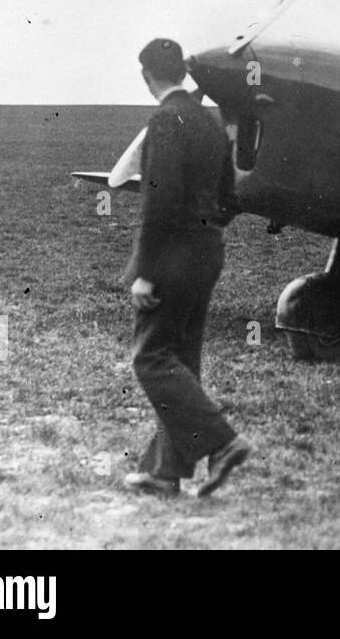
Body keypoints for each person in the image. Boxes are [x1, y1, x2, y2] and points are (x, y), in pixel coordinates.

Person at [122, 37, 251, 498]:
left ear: (147, 76)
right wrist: (206, 227)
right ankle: (163, 472)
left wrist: (146, 270)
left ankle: (222, 443)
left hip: (173, 255)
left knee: (152, 357)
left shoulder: (163, 121)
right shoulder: (211, 122)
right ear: (182, 71)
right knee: (181, 362)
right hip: (207, 251)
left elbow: (159, 203)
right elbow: (232, 198)